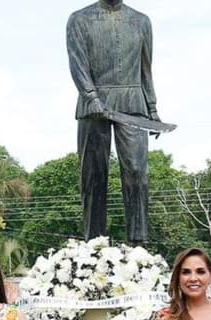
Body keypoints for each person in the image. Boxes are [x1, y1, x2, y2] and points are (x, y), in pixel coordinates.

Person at [66, 0, 160, 242]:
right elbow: (78, 65)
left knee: (137, 172)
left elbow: (146, 69)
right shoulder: (79, 19)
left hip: (133, 103)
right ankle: (94, 242)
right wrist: (91, 96)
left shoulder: (141, 21)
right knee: (93, 176)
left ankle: (139, 243)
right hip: (92, 106)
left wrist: (152, 107)